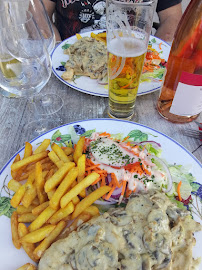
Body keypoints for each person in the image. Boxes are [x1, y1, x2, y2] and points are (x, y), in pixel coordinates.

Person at [42, 0, 182, 42]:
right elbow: (38, 14)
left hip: (131, 55)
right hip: (71, 54)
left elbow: (173, 18)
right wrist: (56, 52)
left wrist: (153, 55)